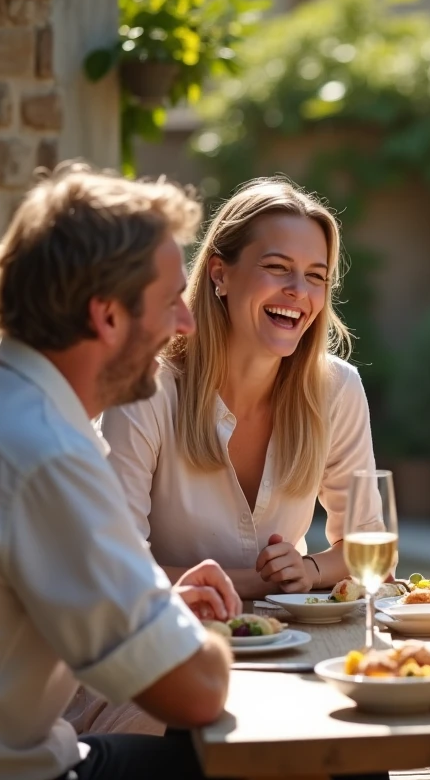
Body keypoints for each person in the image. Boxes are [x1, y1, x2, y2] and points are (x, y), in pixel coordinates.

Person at [0, 163, 240, 780]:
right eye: (171, 301)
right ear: (107, 316)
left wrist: (154, 604)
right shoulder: (43, 453)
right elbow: (196, 692)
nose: (186, 324)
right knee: (271, 763)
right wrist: (213, 638)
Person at [97, 177, 380, 600]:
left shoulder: (336, 389)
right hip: (173, 640)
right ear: (220, 274)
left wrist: (311, 568)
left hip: (295, 645)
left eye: (315, 276)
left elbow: (371, 545)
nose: (298, 291)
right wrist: (256, 583)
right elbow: (112, 564)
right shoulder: (145, 390)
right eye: (277, 267)